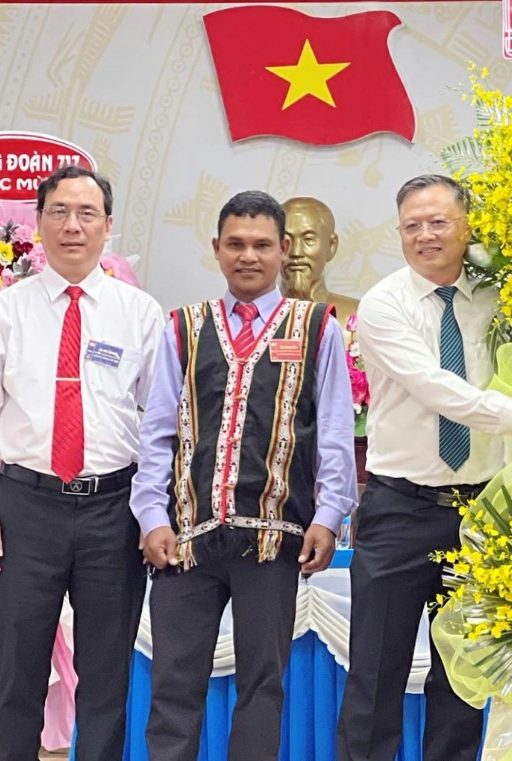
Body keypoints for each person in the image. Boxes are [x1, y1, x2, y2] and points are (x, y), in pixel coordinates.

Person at [336, 174, 512, 761]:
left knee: (465, 679)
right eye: (412, 226)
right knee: (375, 674)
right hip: (400, 509)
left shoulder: (505, 299)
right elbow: (439, 388)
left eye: (438, 222)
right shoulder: (384, 305)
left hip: (486, 508)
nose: (425, 236)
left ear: (467, 226)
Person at [129, 190, 358, 761]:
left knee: (263, 685)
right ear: (217, 249)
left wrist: (329, 517)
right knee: (174, 685)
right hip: (185, 540)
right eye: (236, 244)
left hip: (273, 540)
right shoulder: (183, 326)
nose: (248, 256)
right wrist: (151, 516)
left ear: (283, 250)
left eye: (261, 244)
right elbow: (156, 430)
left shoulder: (316, 328)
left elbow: (333, 431)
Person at [0, 166, 164, 760]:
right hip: (24, 509)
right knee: (18, 671)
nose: (73, 226)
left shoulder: (141, 314)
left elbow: (160, 424)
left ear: (108, 227)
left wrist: (152, 514)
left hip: (114, 510)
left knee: (106, 674)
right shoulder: (3, 313)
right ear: (40, 222)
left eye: (87, 213)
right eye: (59, 212)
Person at [281, 196, 361, 320]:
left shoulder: (357, 318)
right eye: (286, 240)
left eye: (308, 240)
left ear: (331, 246)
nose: (296, 252)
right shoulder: (251, 318)